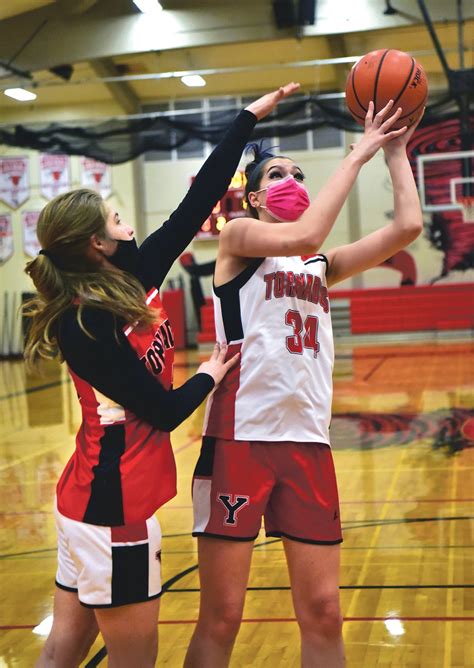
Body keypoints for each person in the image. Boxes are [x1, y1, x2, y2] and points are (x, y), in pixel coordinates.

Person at [24, 82, 300, 668]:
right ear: (99, 243)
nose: (128, 223)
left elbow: (196, 204)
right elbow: (165, 410)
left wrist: (246, 119)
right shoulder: (87, 324)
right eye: (118, 218)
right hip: (112, 508)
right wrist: (209, 373)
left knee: (62, 652)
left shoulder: (133, 279)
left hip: (92, 498)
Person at [185, 100, 423, 668]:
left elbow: (408, 227)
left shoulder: (319, 263)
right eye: (277, 174)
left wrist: (393, 151)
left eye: (299, 174)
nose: (292, 180)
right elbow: (304, 232)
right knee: (222, 617)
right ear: (254, 197)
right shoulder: (237, 238)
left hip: (309, 442)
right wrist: (357, 152)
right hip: (240, 438)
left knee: (322, 611)